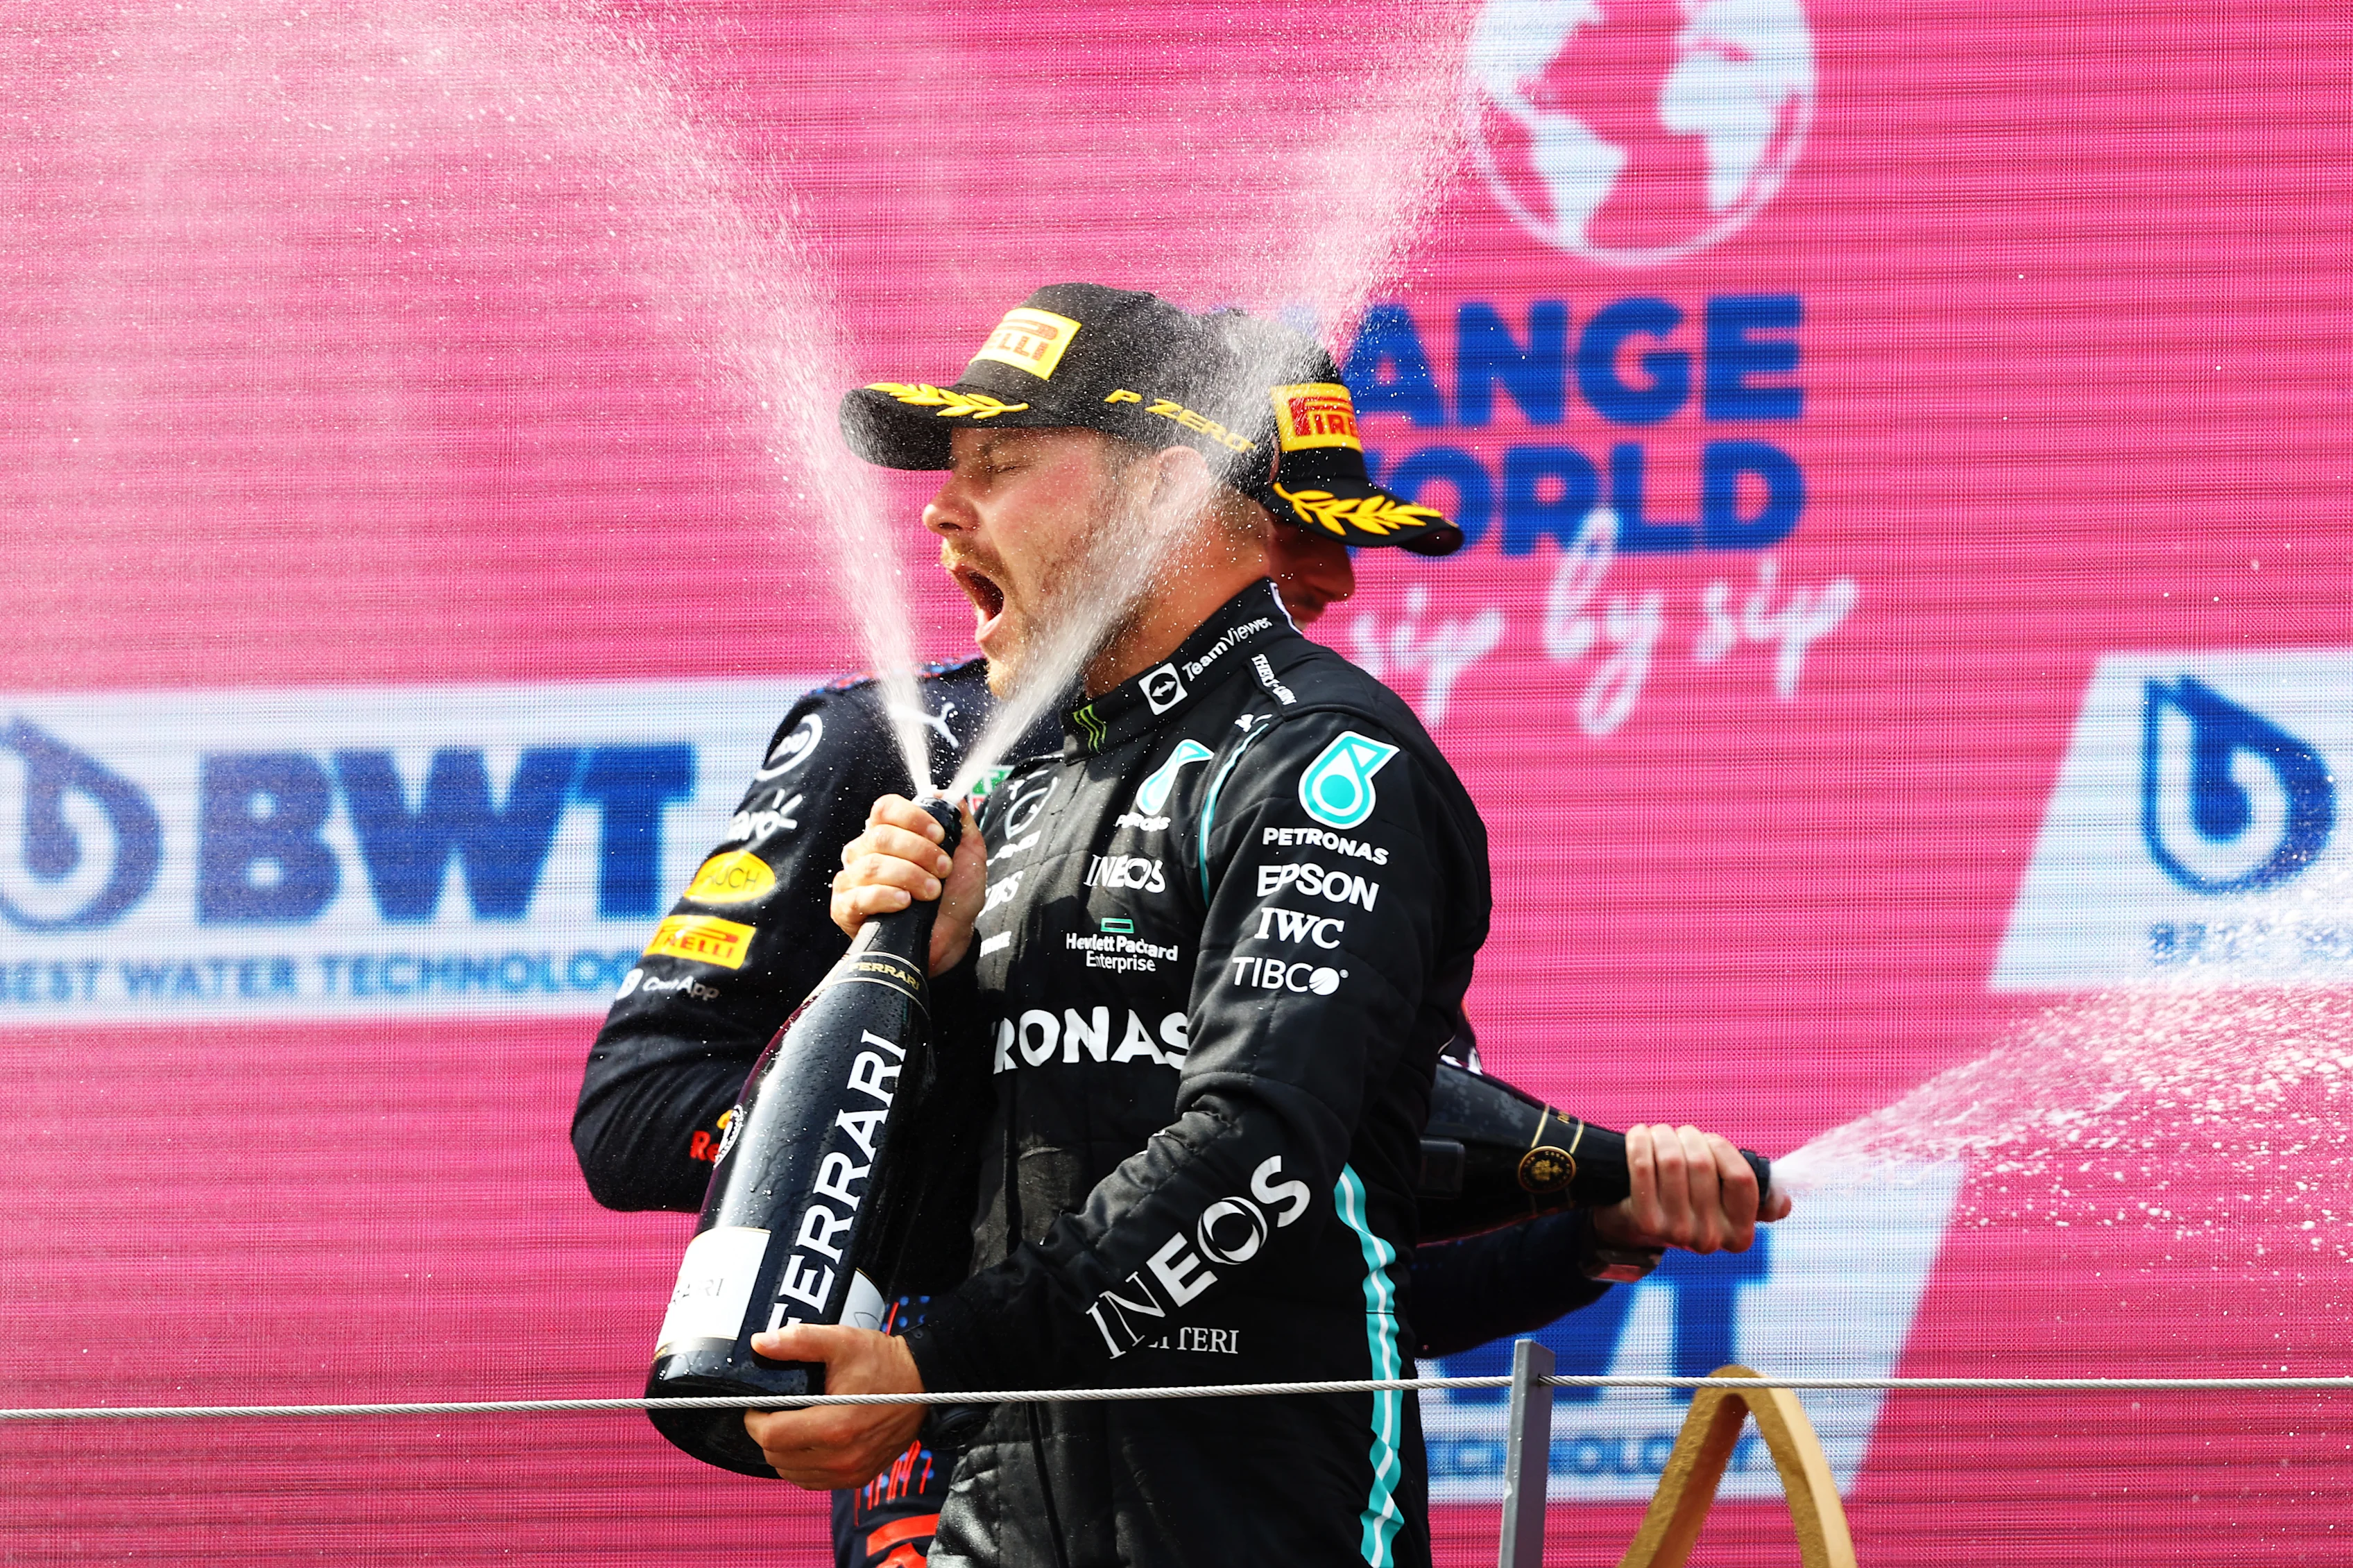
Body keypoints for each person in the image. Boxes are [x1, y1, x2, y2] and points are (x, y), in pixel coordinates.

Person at [572, 332, 1668, 1567]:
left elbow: (1294, 1181)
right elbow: (675, 1124)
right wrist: (897, 988)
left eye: (997, 462)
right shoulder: (959, 766)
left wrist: (1587, 1223)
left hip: (1228, 1506)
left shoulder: (1319, 757)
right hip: (973, 1494)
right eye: (1295, 519)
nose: (1334, 571)